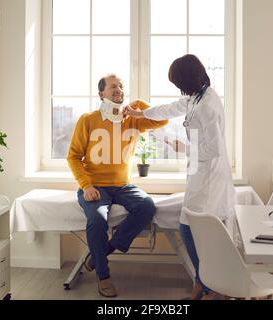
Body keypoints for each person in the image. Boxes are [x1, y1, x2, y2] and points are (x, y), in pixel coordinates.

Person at [124, 54, 235, 300]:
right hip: (200, 173)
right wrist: (142, 114)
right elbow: (173, 107)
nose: (178, 88)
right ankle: (205, 284)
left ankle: (209, 285)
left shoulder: (208, 105)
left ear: (188, 79)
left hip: (208, 178)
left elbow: (214, 149)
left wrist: (184, 148)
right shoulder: (198, 96)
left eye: (178, 83)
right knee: (197, 230)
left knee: (188, 227)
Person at [67, 74, 168, 297]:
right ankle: (103, 276)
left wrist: (140, 105)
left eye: (121, 86)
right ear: (101, 93)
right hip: (95, 185)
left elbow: (163, 120)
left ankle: (105, 250)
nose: (119, 90)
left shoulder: (132, 119)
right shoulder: (88, 119)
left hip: (122, 186)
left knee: (147, 206)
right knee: (97, 220)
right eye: (113, 86)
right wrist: (86, 186)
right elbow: (73, 157)